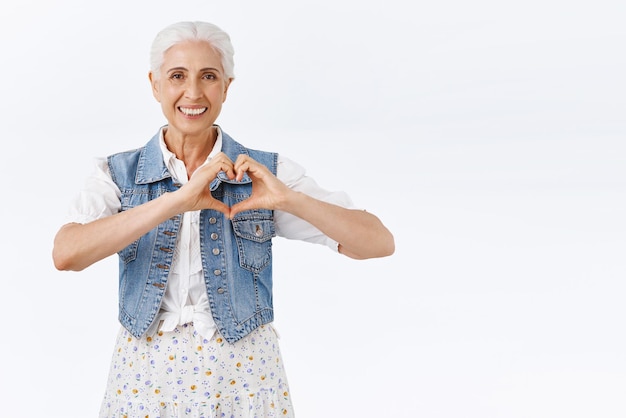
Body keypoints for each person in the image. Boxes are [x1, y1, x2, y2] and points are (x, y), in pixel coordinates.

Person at [53, 20, 394, 417]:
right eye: (178, 76)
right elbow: (66, 253)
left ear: (227, 87)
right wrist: (175, 201)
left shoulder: (264, 173)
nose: (193, 93)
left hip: (245, 380)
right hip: (145, 382)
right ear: (155, 84)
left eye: (209, 76)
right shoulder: (117, 174)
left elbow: (378, 243)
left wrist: (289, 199)